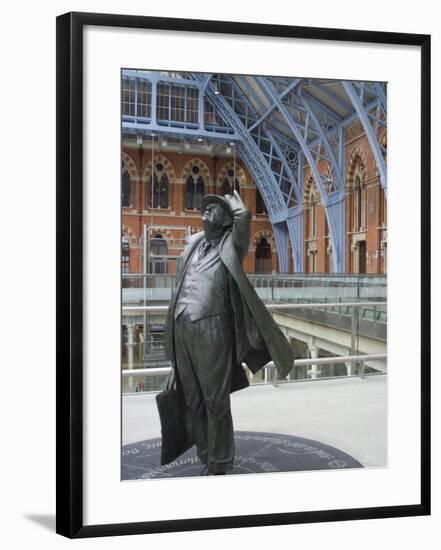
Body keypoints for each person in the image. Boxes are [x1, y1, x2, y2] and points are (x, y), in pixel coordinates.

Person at [163, 190, 294, 475]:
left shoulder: (231, 245)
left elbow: (244, 218)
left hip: (212, 328)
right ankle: (206, 454)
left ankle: (220, 463)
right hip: (183, 327)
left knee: (215, 400)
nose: (206, 212)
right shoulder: (193, 246)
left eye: (214, 209)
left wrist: (237, 208)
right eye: (206, 208)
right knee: (193, 398)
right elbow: (178, 290)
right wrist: (172, 342)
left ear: (225, 221)